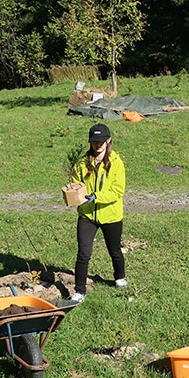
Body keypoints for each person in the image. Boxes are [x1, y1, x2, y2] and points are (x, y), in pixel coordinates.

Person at [70, 123, 127, 302]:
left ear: (108, 140)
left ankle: (119, 278)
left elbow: (118, 191)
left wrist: (96, 196)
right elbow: (75, 184)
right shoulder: (81, 163)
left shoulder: (116, 163)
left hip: (111, 215)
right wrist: (73, 193)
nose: (98, 145)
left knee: (115, 250)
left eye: (101, 141)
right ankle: (79, 292)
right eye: (94, 141)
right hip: (87, 216)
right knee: (83, 253)